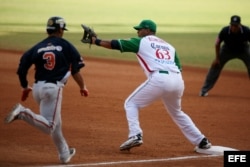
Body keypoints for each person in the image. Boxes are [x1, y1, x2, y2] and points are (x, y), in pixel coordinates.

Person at [85, 19, 211, 151]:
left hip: (160, 79)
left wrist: (96, 41)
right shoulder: (169, 46)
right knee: (177, 112)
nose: (138, 31)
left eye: (140, 29)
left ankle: (135, 135)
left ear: (148, 30)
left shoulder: (142, 41)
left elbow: (115, 44)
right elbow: (179, 67)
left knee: (131, 103)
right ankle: (201, 140)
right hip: (178, 80)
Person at [4, 16, 89, 164]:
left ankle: (64, 153)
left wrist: (25, 87)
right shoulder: (66, 45)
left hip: (37, 89)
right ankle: (23, 112)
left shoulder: (37, 47)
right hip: (52, 90)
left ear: (48, 30)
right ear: (61, 30)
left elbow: (21, 69)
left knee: (56, 124)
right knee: (49, 126)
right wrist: (82, 87)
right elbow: (75, 70)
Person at [199, 15, 250, 97]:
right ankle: (204, 90)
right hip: (227, 50)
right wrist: (217, 58)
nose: (234, 27)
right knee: (215, 66)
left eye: (236, 26)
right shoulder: (225, 31)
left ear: (240, 25)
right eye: (232, 25)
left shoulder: (246, 30)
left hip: (243, 50)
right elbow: (217, 43)